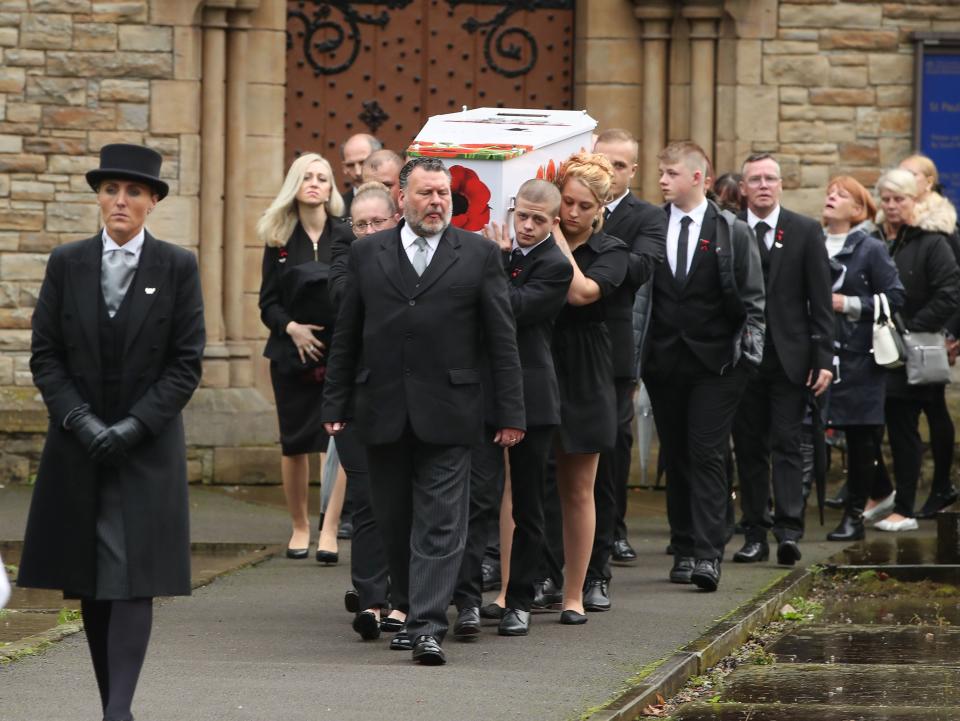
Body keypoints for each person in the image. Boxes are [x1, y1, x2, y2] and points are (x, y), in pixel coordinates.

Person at [19, 143, 205, 721]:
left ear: (152, 202)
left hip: (145, 447)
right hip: (79, 444)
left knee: (132, 577)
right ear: (99, 198)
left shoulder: (178, 267)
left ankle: (118, 712)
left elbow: (186, 362)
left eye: (133, 192)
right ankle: (111, 705)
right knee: (93, 579)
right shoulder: (66, 262)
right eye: (110, 190)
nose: (120, 201)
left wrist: (131, 427)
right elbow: (46, 355)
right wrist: (79, 420)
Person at [322, 157, 525, 665]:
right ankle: (409, 608)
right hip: (382, 406)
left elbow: (502, 340)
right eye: (426, 193)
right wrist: (336, 401)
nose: (437, 202)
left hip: (451, 409)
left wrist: (510, 412)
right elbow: (348, 334)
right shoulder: (367, 254)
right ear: (401, 199)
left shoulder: (477, 254)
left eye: (443, 194)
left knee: (440, 521)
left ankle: (428, 626)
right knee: (393, 519)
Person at [639, 141, 765, 592]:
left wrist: (749, 354)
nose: (662, 181)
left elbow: (752, 301)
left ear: (698, 177)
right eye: (660, 172)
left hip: (718, 362)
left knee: (706, 452)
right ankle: (685, 544)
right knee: (675, 454)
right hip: (663, 360)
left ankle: (709, 554)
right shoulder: (651, 224)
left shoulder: (730, 230)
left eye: (671, 173)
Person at [452, 179, 573, 638]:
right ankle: (465, 597)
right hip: (484, 390)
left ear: (553, 223)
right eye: (522, 215)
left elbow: (509, 308)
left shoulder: (555, 266)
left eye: (538, 220)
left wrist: (498, 261)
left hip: (532, 394)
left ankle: (519, 599)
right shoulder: (491, 251)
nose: (526, 226)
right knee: (478, 499)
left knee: (529, 504)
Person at [730, 153, 834, 567]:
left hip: (791, 359)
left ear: (781, 184)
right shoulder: (730, 228)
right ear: (743, 188)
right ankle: (754, 532)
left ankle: (789, 532)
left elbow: (820, 299)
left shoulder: (805, 231)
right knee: (749, 447)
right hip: (742, 359)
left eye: (770, 178)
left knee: (788, 443)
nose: (763, 185)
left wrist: (824, 357)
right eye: (755, 179)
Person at [257, 153, 352, 561]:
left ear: (332, 188)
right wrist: (291, 328)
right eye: (307, 177)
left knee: (344, 438)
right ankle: (300, 527)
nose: (315, 183)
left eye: (323, 178)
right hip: (291, 353)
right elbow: (267, 302)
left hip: (340, 352)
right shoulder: (278, 238)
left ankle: (330, 528)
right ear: (295, 184)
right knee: (295, 443)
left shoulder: (345, 235)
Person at [548, 152, 629, 623]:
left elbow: (580, 292)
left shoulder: (613, 251)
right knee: (516, 486)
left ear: (600, 208)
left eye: (583, 206)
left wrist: (554, 239)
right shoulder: (535, 238)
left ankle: (574, 593)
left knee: (579, 487)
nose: (572, 213)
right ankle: (514, 588)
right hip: (539, 361)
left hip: (586, 367)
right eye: (566, 203)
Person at [587, 129, 665, 606]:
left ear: (632, 170)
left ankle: (608, 540)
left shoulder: (646, 218)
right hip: (569, 350)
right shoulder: (567, 210)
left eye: (618, 166)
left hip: (617, 350)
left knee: (611, 450)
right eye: (601, 163)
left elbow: (638, 272)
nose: (608, 173)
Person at [328, 181, 407, 640]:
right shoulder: (350, 264)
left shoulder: (418, 262)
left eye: (379, 222)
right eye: (362, 225)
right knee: (367, 501)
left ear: (395, 220)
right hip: (360, 398)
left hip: (407, 399)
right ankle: (371, 600)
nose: (370, 230)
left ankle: (403, 599)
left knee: (403, 502)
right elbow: (340, 313)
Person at [873, 169, 960, 531]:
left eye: (900, 199)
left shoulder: (931, 241)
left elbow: (949, 293)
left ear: (915, 201)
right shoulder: (879, 240)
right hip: (880, 348)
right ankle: (881, 496)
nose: (892, 206)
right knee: (883, 424)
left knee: (905, 427)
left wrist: (909, 328)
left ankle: (905, 508)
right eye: (887, 199)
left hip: (915, 349)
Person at [820, 176, 905, 541]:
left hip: (861, 358)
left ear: (857, 210)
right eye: (829, 193)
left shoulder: (870, 248)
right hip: (821, 353)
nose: (831, 198)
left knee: (860, 438)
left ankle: (854, 515)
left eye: (840, 195)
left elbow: (895, 297)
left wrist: (848, 303)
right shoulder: (811, 242)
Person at [898, 154, 960, 517]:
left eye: (911, 175)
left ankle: (941, 484)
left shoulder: (942, 226)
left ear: (928, 182)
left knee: (933, 406)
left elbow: (953, 285)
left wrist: (952, 332)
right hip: (906, 331)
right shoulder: (902, 223)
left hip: (934, 332)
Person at [340, 133, 382, 213]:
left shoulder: (399, 202)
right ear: (344, 168)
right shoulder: (338, 209)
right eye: (350, 165)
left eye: (363, 162)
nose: (358, 172)